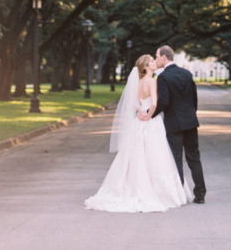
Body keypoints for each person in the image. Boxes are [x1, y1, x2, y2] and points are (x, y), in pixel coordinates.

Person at [84, 54, 191, 212]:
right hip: (151, 122)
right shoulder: (152, 81)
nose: (155, 63)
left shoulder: (138, 82)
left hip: (138, 122)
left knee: (135, 155)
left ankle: (131, 187)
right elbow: (154, 103)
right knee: (156, 154)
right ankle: (157, 192)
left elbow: (133, 103)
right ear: (146, 67)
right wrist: (148, 114)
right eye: (152, 62)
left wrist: (140, 111)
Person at [139, 45, 207, 204]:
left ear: (164, 57)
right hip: (190, 122)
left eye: (157, 56)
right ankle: (200, 194)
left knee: (175, 159)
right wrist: (191, 115)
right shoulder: (187, 73)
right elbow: (194, 99)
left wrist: (148, 114)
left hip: (174, 123)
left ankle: (179, 194)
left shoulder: (163, 77)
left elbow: (163, 102)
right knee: (194, 157)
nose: (156, 59)